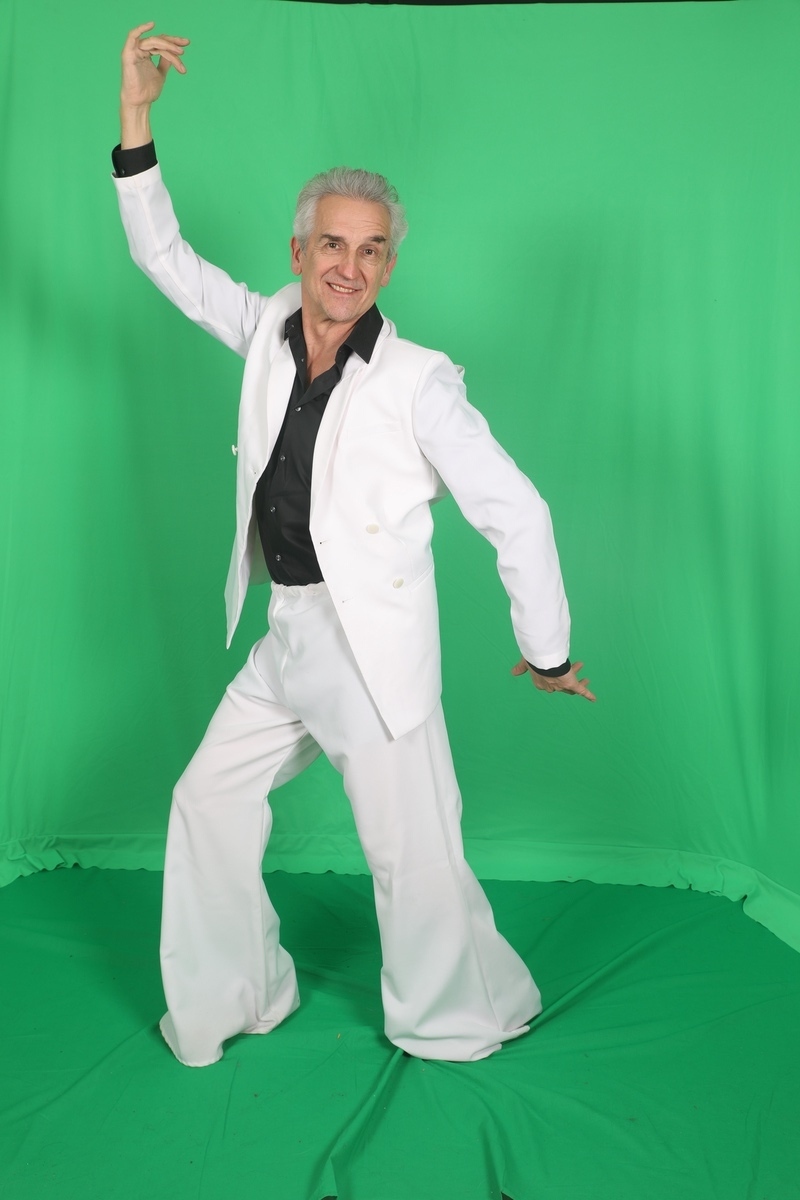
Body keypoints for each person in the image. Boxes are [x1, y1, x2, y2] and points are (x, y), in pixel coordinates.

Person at [113, 22, 596, 1069]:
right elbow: (164, 259)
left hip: (371, 650)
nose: (349, 266)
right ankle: (240, 993)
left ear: (389, 262)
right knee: (205, 801)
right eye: (332, 245)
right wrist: (138, 122)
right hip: (286, 631)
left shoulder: (421, 381)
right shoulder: (263, 327)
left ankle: (452, 1018)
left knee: (411, 856)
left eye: (371, 249)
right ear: (299, 252)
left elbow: (515, 508)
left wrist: (547, 646)